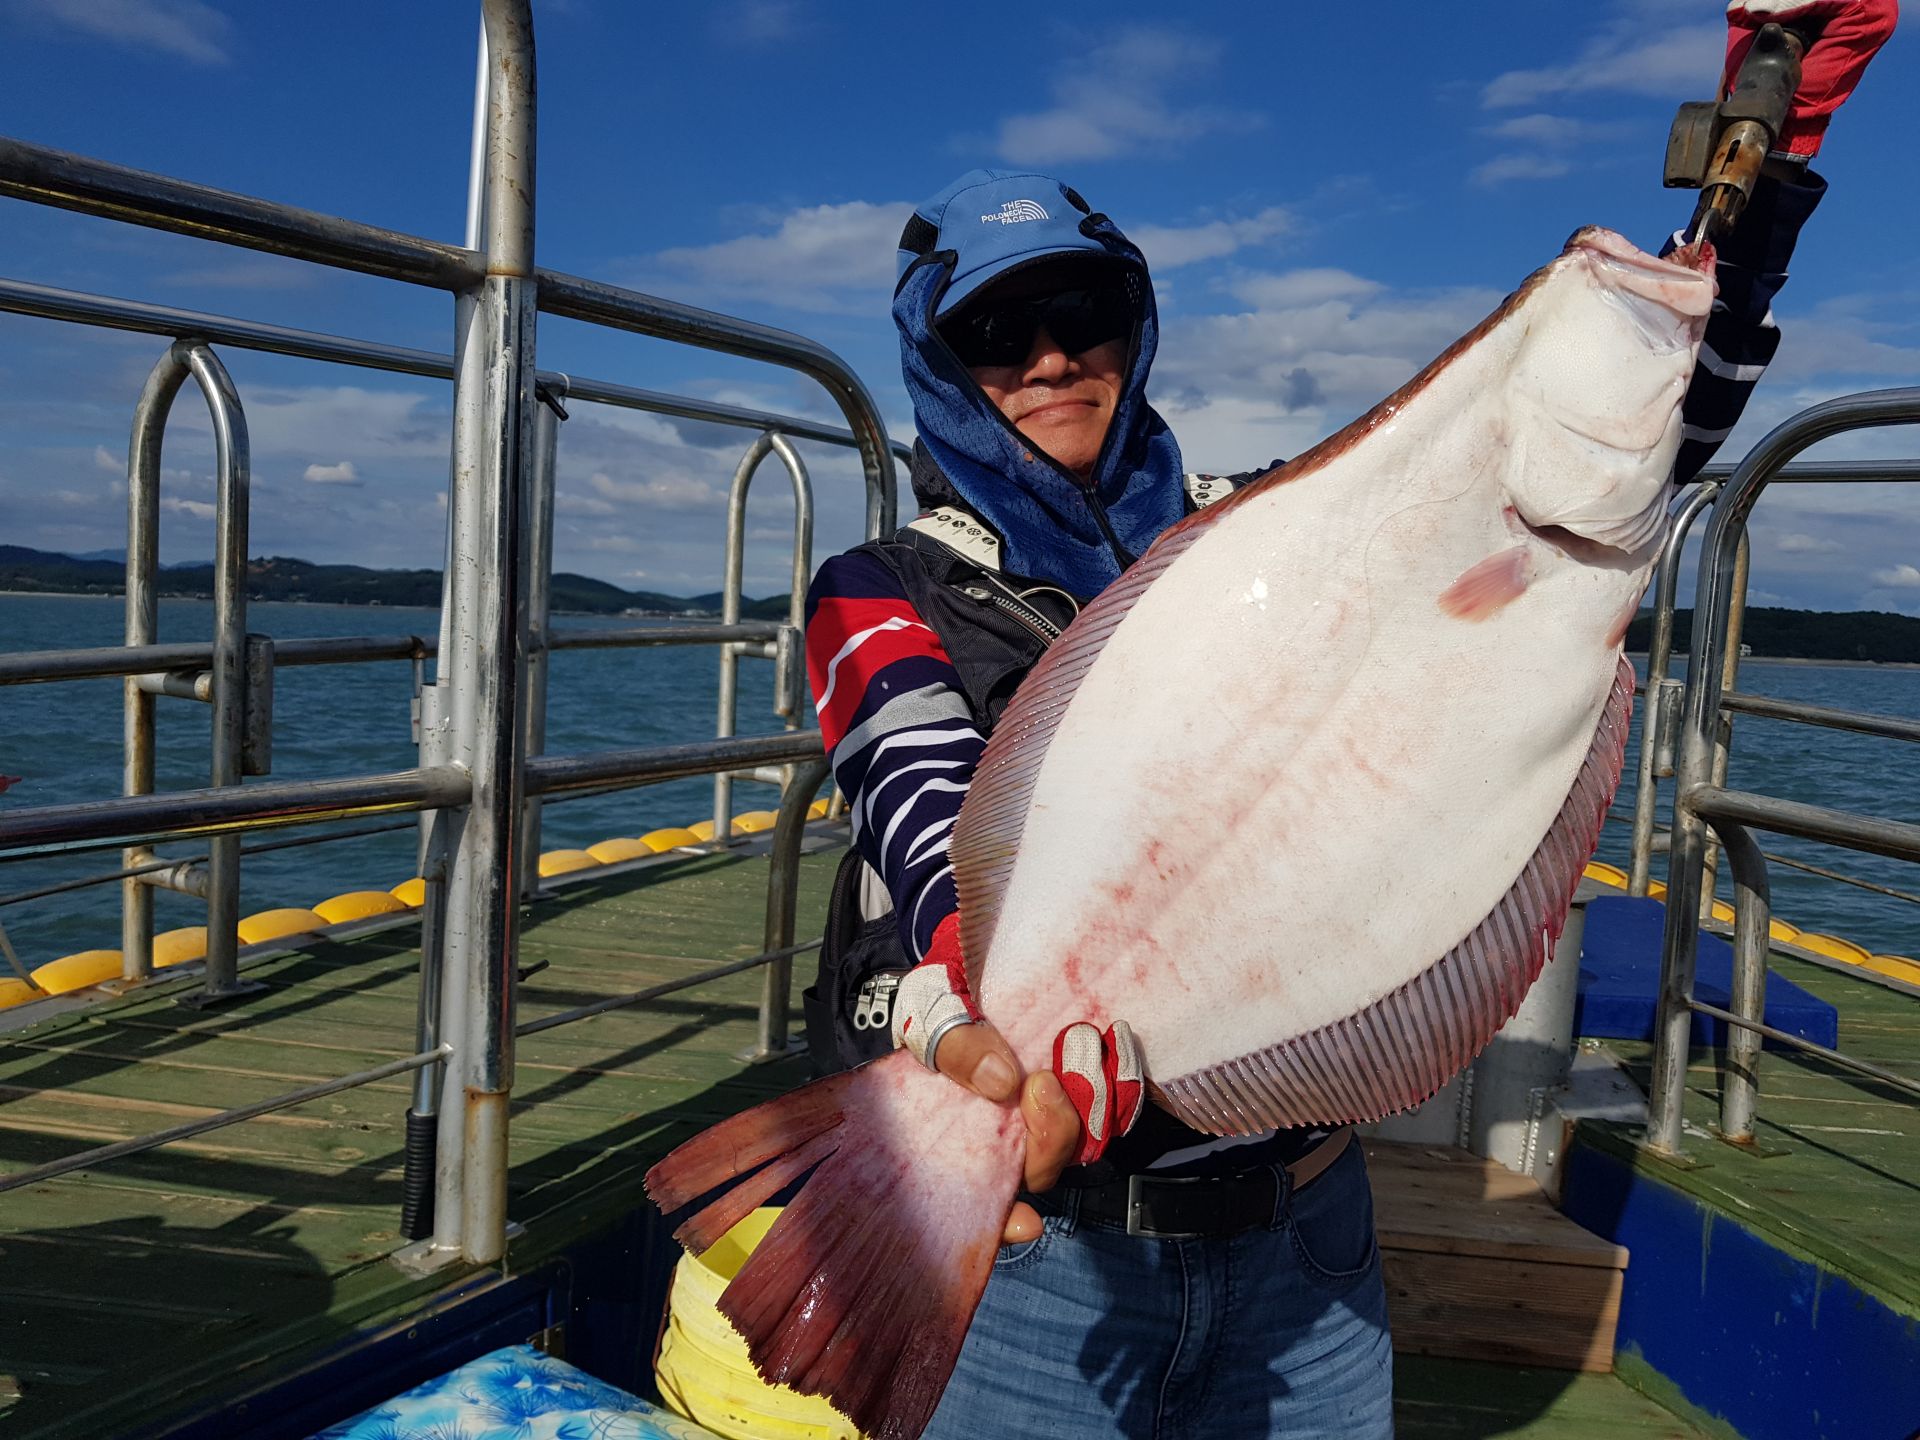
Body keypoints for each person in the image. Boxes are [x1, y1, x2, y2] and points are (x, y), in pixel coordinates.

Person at [801, 4, 1895, 1434]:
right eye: (1000, 334)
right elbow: (923, 809)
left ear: (1139, 326)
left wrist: (1774, 136)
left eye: (1088, 318)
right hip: (1045, 1275)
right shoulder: (881, 589)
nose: (1053, 359)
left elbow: (1660, 414)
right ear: (943, 368)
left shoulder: (1270, 532)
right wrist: (994, 1051)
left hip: (1305, 1244)